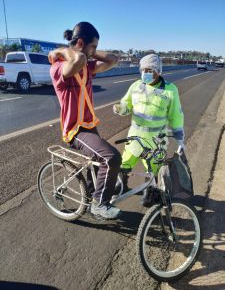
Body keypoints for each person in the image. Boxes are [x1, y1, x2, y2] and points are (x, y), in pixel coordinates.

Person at [49, 21, 122, 219]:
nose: (95, 51)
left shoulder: (87, 67)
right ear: (80, 42)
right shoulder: (58, 68)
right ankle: (100, 204)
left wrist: (88, 51)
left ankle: (90, 200)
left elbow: (113, 59)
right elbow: (78, 59)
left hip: (89, 126)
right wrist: (66, 51)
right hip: (75, 130)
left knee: (95, 164)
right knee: (111, 157)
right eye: (94, 46)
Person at [113, 54, 184, 206]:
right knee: (125, 163)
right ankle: (121, 184)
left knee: (152, 169)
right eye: (143, 70)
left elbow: (175, 116)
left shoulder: (170, 91)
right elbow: (127, 104)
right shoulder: (136, 86)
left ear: (159, 71)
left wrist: (179, 137)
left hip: (156, 141)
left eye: (150, 70)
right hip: (135, 138)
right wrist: (121, 108)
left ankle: (149, 191)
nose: (146, 73)